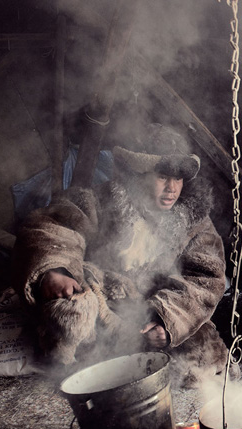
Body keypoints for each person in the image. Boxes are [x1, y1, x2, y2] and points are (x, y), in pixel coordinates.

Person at [12, 124, 228, 386]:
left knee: (203, 354)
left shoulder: (194, 220)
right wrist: (57, 271)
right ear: (138, 173)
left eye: (179, 179)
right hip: (107, 306)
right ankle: (82, 371)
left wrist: (167, 320)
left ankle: (142, 357)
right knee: (72, 313)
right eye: (162, 176)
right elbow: (53, 228)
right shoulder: (100, 201)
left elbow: (205, 277)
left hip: (153, 310)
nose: (172, 188)